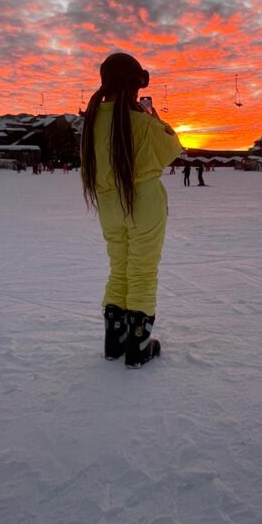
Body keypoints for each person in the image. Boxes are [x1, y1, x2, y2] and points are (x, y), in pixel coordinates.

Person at [81, 52, 182, 368]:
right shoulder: (141, 121)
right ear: (136, 85)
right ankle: (138, 345)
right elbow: (172, 150)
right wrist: (153, 117)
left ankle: (116, 340)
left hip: (109, 205)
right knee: (142, 270)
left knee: (119, 267)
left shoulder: (91, 121)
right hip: (145, 205)